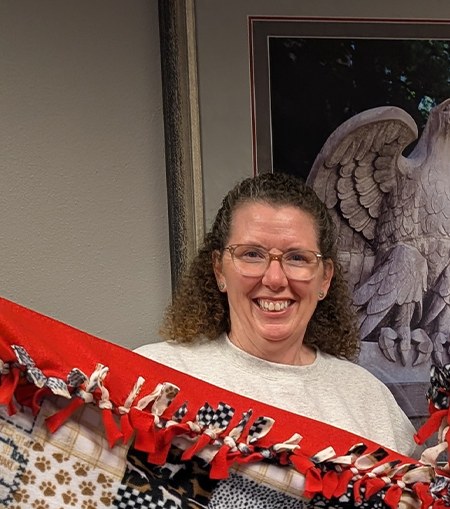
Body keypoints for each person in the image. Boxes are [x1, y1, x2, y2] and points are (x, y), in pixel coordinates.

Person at [137, 173, 416, 454]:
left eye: (297, 258)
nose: (275, 279)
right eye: (251, 255)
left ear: (325, 279)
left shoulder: (370, 400)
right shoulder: (154, 378)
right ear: (220, 269)